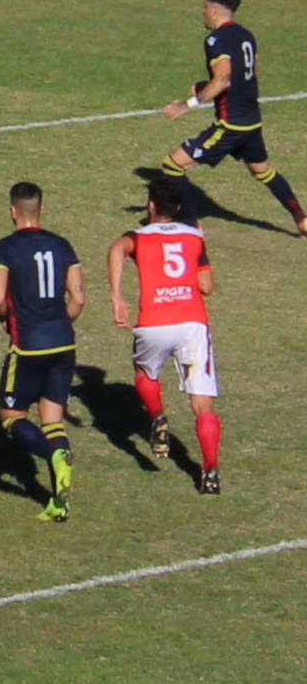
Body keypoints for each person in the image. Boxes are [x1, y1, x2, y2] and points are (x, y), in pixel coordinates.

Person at [159, 0, 306, 236]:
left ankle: (190, 224)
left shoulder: (216, 40)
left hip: (231, 125)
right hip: (251, 122)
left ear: (215, 10)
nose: (203, 12)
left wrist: (188, 104)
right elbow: (248, 75)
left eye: (205, 7)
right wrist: (208, 85)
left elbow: (225, 78)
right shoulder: (246, 35)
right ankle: (302, 220)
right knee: (264, 172)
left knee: (173, 165)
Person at [107, 179, 223, 495]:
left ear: (151, 205)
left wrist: (117, 296)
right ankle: (210, 471)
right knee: (203, 405)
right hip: (193, 324)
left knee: (145, 371)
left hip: (154, 322)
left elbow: (117, 248)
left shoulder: (139, 237)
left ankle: (158, 418)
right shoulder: (194, 235)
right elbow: (207, 286)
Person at [0, 182, 85, 521]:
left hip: (28, 345)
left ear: (13, 211)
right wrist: (58, 321)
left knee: (11, 417)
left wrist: (6, 321)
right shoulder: (63, 245)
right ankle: (59, 503)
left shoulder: (4, 248)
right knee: (52, 420)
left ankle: (53, 457)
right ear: (40, 209)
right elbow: (79, 298)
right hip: (64, 342)